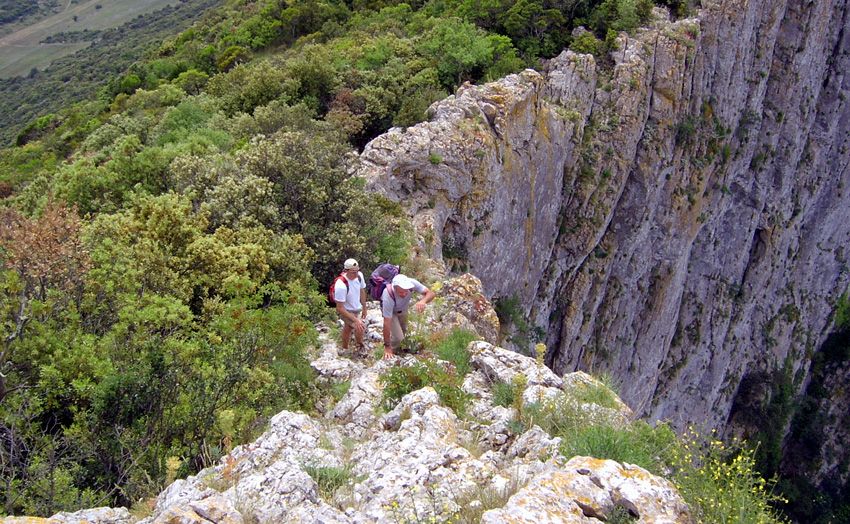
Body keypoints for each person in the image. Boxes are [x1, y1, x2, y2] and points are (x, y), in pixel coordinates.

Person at [381, 274, 435, 359]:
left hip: (403, 309)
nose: (404, 294)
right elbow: (386, 323)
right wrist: (387, 346)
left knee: (403, 331)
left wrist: (423, 301)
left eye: (406, 291)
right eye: (401, 292)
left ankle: (398, 350)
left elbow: (431, 293)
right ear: (395, 288)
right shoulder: (388, 295)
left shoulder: (412, 283)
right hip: (392, 312)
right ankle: (390, 354)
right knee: (399, 338)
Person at [334, 258, 368, 354]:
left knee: (348, 328)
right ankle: (359, 345)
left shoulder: (359, 276)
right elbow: (339, 307)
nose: (356, 274)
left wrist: (364, 308)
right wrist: (356, 319)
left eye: (357, 271)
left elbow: (362, 291)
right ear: (346, 271)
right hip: (346, 310)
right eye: (353, 272)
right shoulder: (341, 284)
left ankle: (344, 347)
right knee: (359, 326)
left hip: (357, 308)